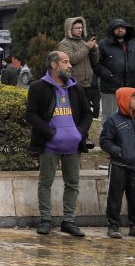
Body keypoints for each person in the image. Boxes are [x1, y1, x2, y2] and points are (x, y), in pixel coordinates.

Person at [25, 50, 92, 237]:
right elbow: (31, 114)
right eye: (65, 62)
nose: (70, 65)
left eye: (69, 62)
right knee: (45, 183)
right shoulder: (38, 87)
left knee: (73, 184)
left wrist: (79, 133)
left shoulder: (76, 88)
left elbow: (87, 114)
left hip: (73, 146)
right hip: (50, 146)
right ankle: (45, 220)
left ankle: (68, 221)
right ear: (54, 65)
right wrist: (50, 133)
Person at [99, 87, 135, 240]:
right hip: (120, 166)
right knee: (115, 197)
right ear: (125, 100)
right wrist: (119, 152)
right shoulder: (113, 120)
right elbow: (104, 141)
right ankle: (113, 226)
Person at [97, 18, 135, 120]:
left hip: (130, 87)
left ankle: (125, 136)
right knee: (109, 117)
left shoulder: (133, 45)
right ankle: (107, 136)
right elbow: (96, 65)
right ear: (112, 30)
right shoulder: (102, 44)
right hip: (110, 88)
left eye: (122, 28)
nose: (120, 30)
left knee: (128, 116)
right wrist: (109, 76)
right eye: (117, 28)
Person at [58, 16, 101, 119]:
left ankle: (83, 134)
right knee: (75, 112)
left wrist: (94, 50)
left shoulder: (83, 43)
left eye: (81, 27)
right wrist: (87, 47)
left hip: (87, 84)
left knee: (85, 113)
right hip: (73, 83)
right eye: (77, 28)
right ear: (69, 29)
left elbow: (94, 61)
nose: (80, 30)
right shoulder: (64, 44)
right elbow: (72, 59)